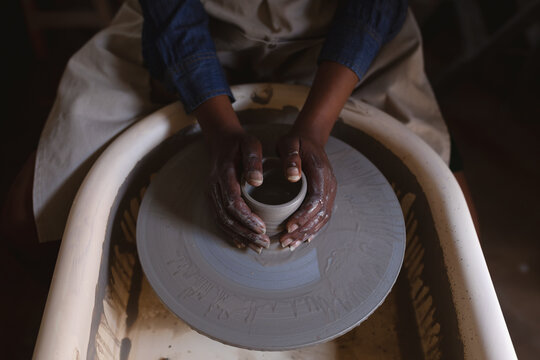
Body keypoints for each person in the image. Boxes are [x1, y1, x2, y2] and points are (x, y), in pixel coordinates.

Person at [1, 0, 455, 253]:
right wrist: (220, 132)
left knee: (448, 219)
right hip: (193, 29)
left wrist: (315, 128)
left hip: (348, 37)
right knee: (27, 218)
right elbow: (171, 14)